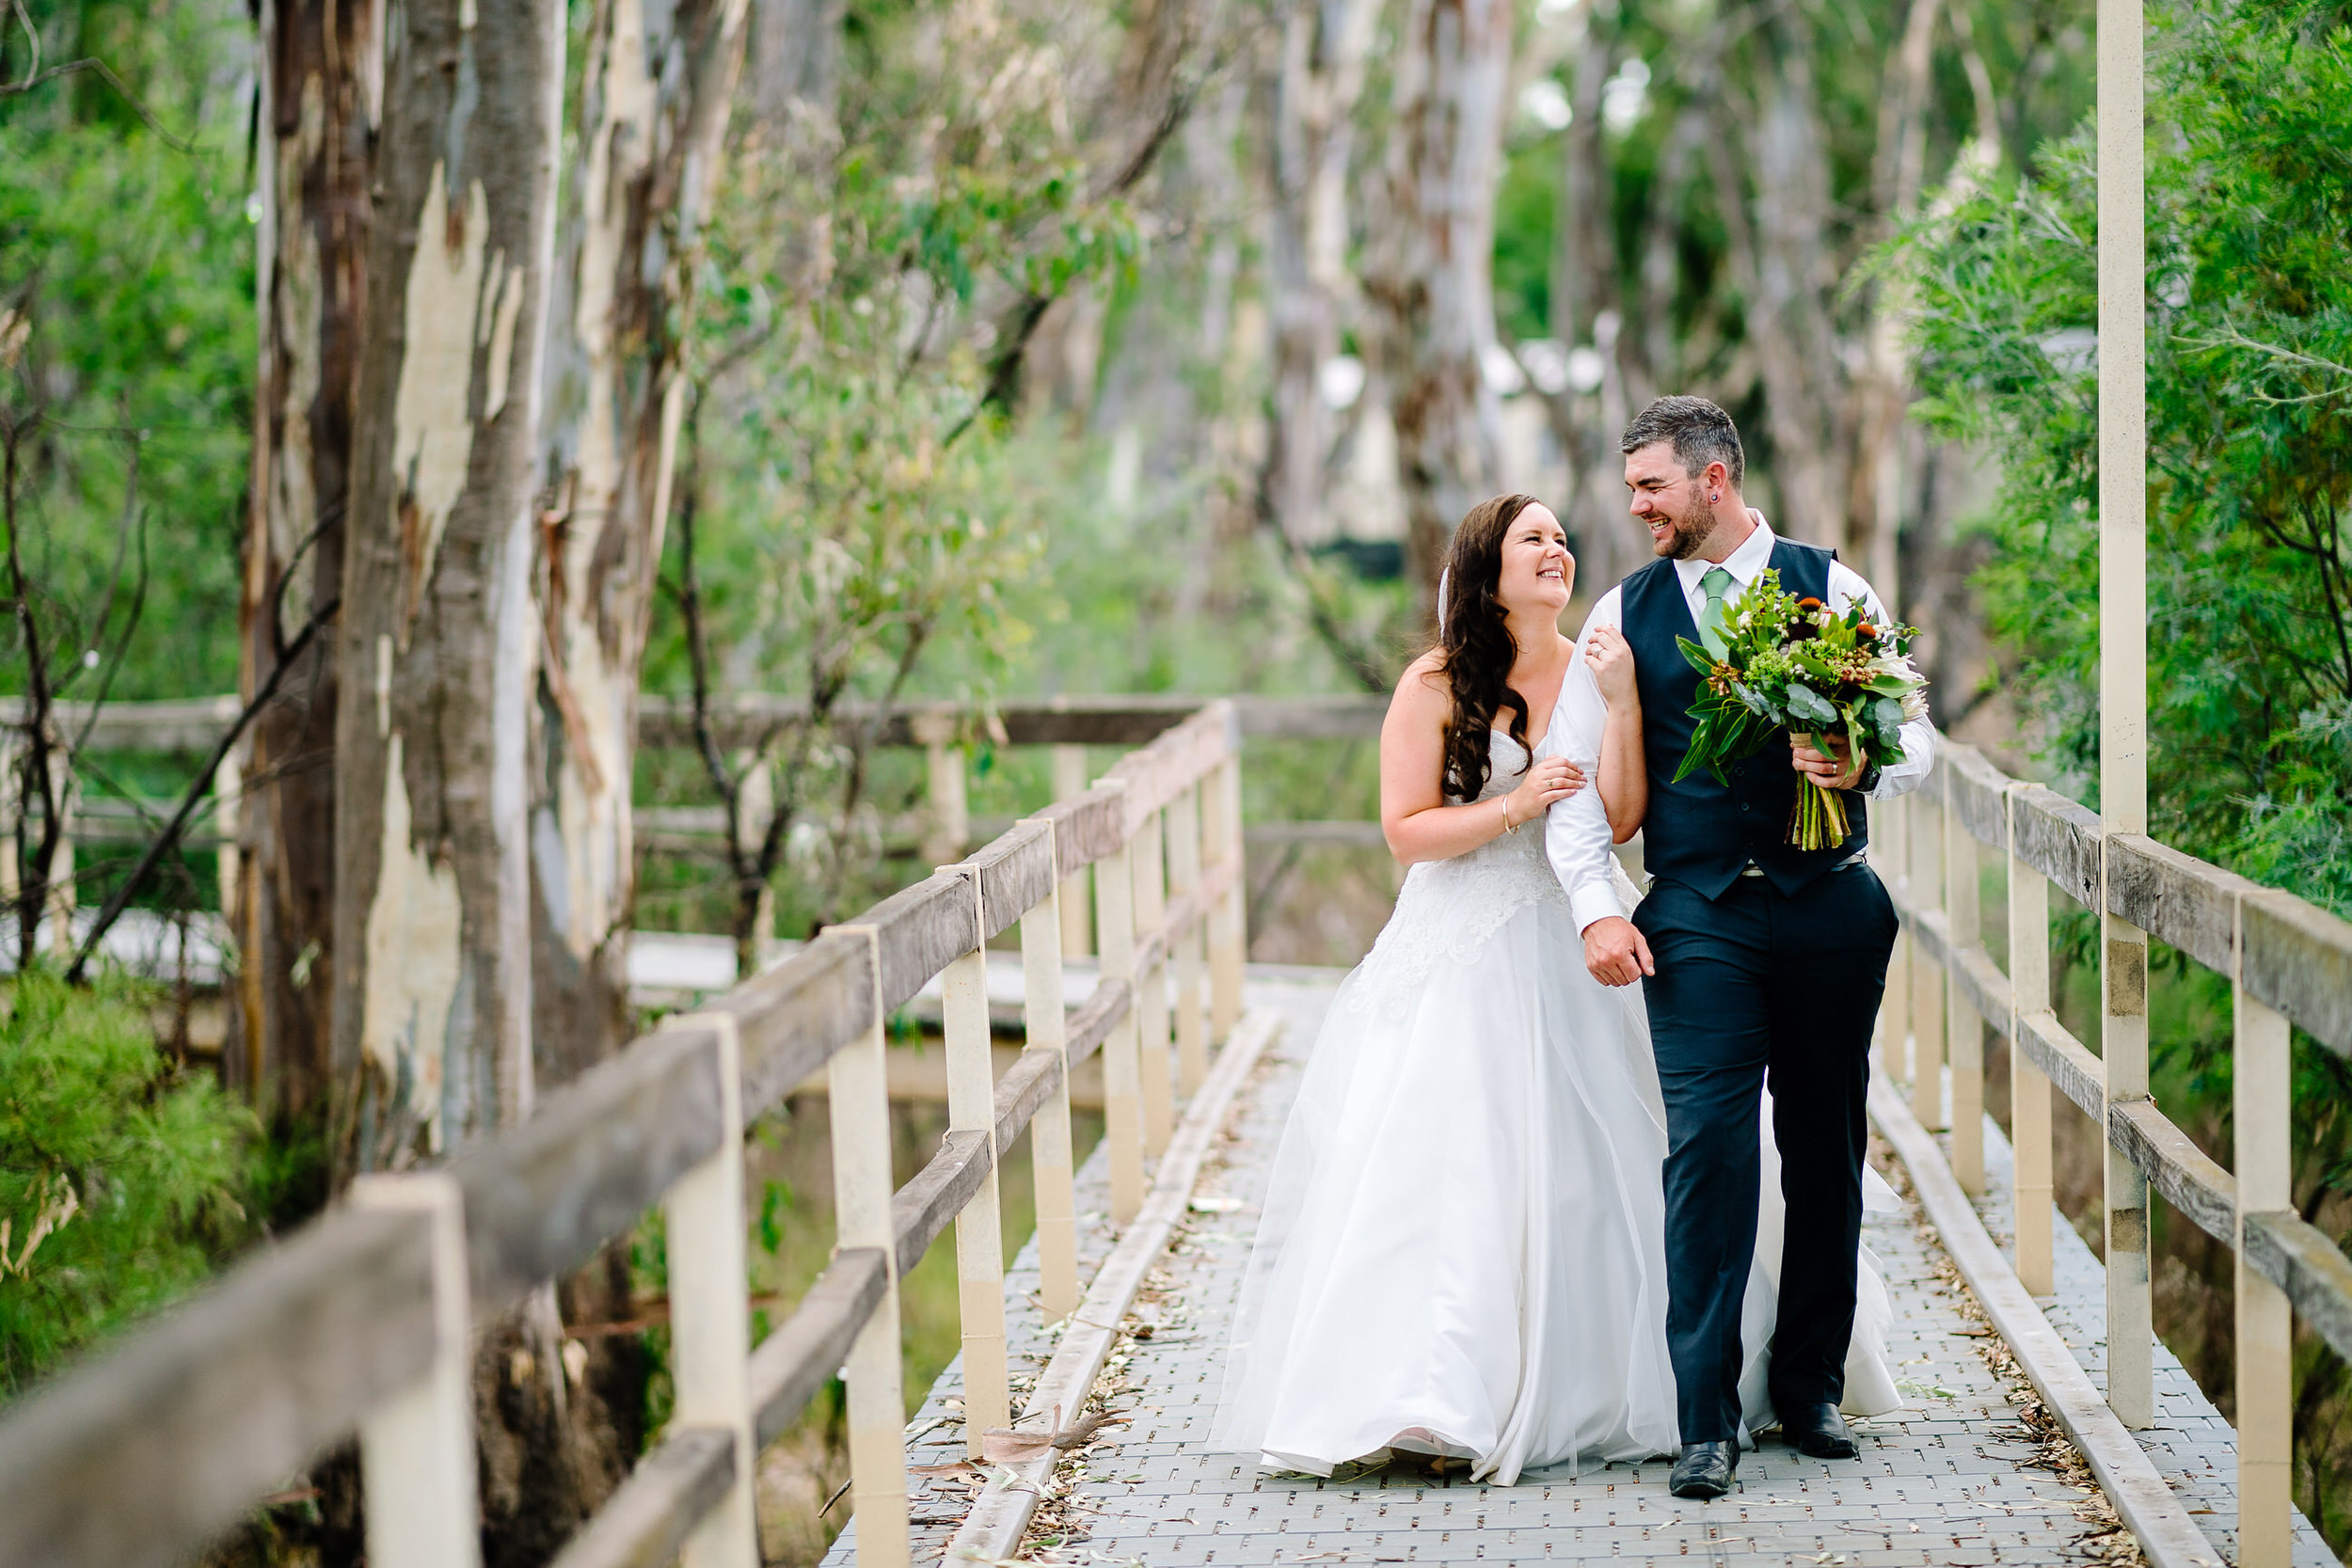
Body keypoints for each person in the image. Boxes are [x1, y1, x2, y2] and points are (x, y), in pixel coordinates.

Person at [1210, 491, 1898, 1485]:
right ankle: (1433, 1393)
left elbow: (1618, 816)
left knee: (1641, 1148)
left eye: (1564, 539)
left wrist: (1620, 707)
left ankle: (1710, 1376)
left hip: (1582, 919)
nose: (1558, 550)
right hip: (1467, 934)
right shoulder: (1433, 681)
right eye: (1535, 538)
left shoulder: (1599, 659)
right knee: (1458, 1158)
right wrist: (1513, 806)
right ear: (1486, 566)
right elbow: (1405, 829)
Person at [1547, 396, 1933, 1500]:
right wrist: (1595, 906)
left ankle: (1808, 1384)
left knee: (1825, 1144)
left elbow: (1917, 732)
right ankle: (1703, 1420)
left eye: (1651, 486)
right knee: (1708, 1157)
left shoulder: (1831, 583)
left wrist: (1859, 761)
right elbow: (1576, 787)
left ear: (1713, 479)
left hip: (1831, 907)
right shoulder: (1621, 612)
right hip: (1698, 916)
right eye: (1630, 488)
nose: (1635, 507)